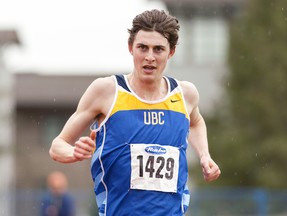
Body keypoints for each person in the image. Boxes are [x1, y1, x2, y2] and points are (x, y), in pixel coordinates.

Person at [49, 9, 221, 216]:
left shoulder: (186, 94)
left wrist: (204, 155)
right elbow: (57, 146)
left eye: (158, 49)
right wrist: (74, 153)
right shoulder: (106, 91)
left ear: (171, 52)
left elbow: (195, 122)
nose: (149, 57)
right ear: (131, 48)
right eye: (142, 48)